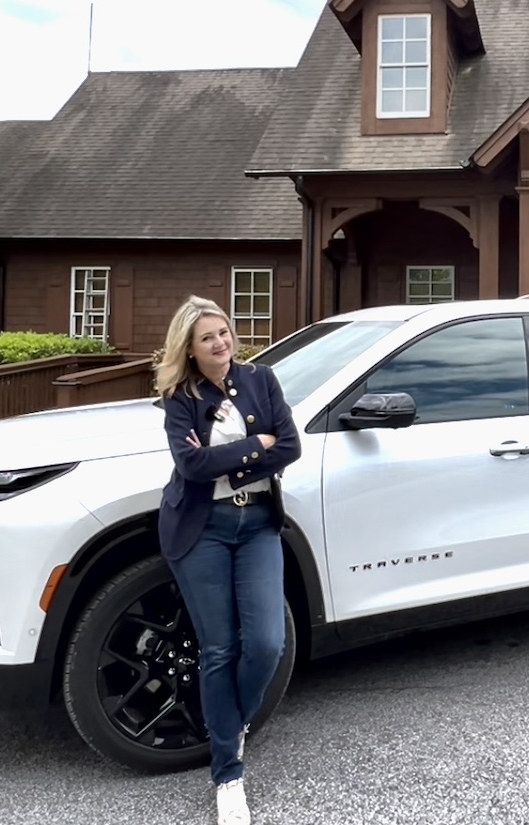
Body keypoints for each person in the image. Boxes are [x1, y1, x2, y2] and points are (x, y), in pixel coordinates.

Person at [155, 295, 301, 825]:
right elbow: (191, 466)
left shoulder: (262, 379)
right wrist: (253, 447)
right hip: (203, 531)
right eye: (208, 338)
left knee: (267, 642)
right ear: (190, 350)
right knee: (220, 649)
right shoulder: (179, 397)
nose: (221, 343)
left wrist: (233, 461)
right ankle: (228, 774)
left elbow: (291, 445)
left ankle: (230, 722)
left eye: (224, 332)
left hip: (258, 522)